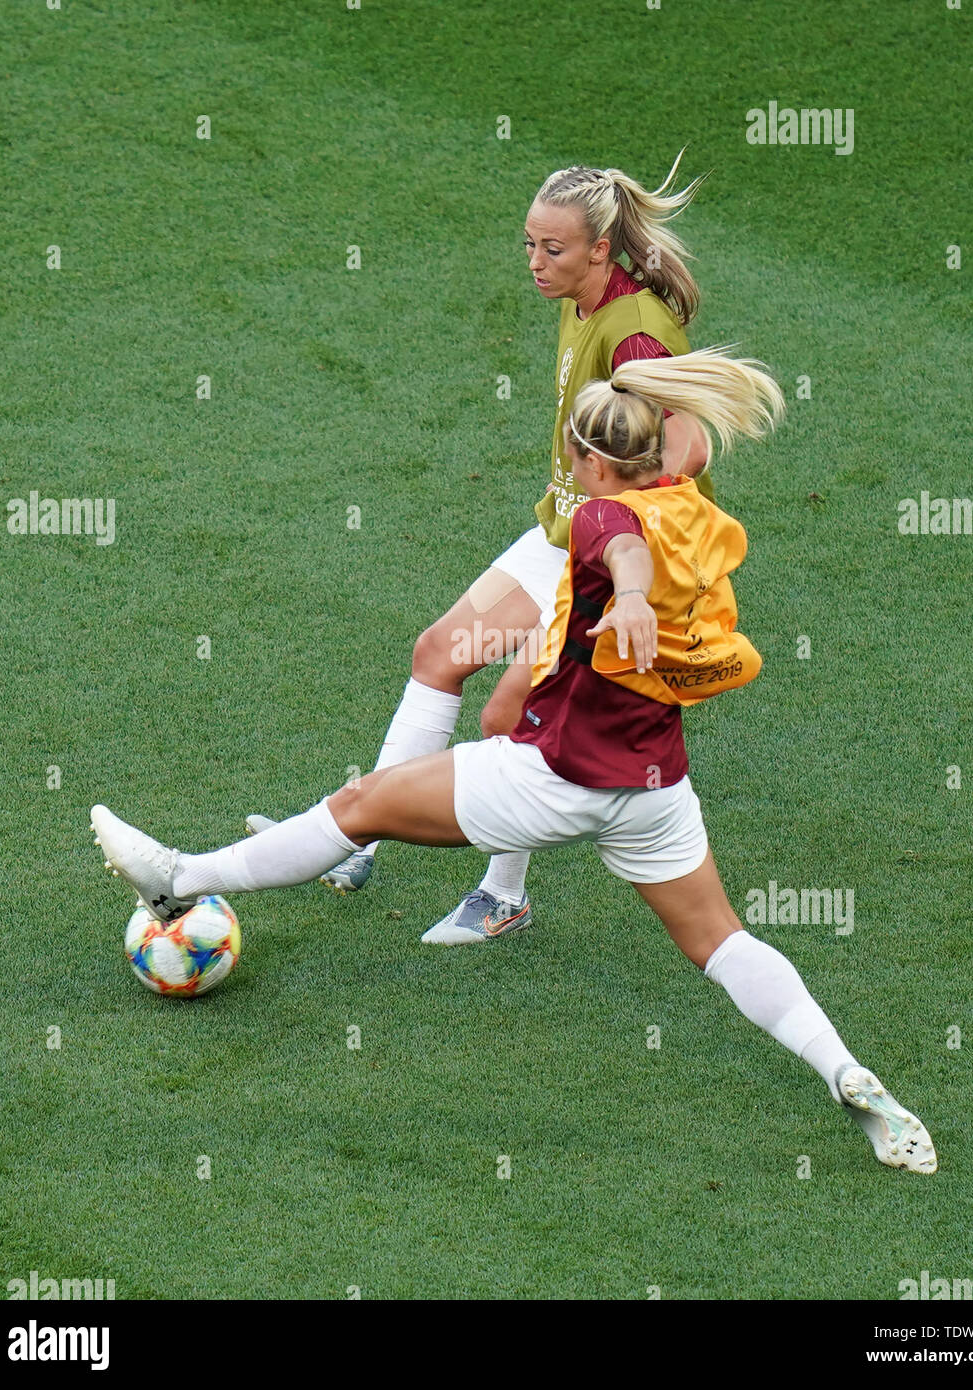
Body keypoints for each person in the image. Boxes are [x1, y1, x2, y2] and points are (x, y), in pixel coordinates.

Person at [91, 349, 937, 1175]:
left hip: (552, 776)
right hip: (654, 788)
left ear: (583, 459)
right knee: (721, 941)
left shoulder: (602, 515)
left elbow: (617, 542)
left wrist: (631, 593)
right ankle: (846, 1074)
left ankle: (178, 876)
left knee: (360, 804)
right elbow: (671, 485)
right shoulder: (696, 510)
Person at [249, 152, 715, 947]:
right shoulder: (583, 296)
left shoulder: (634, 336)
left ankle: (502, 895)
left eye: (553, 250)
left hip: (605, 559)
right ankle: (353, 835)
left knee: (510, 710)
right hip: (561, 532)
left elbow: (691, 447)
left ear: (600, 248)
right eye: (528, 246)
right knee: (439, 653)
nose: (535, 264)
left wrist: (615, 530)